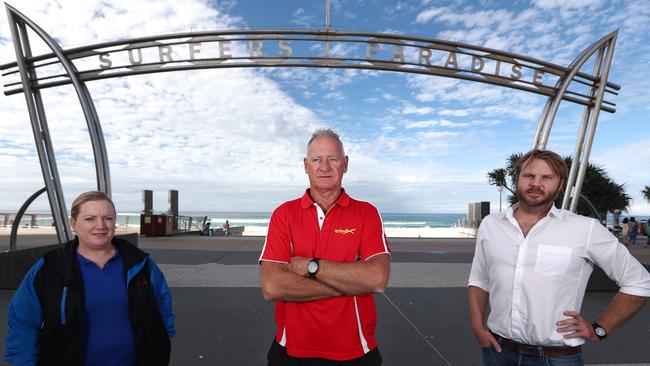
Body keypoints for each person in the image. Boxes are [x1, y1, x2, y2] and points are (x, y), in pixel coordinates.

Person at [468, 150, 650, 366]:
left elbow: (639, 281)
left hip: (555, 358)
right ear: (516, 179)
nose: (536, 183)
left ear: (561, 183)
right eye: (529, 176)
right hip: (497, 352)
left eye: (546, 177)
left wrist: (600, 328)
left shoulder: (584, 229)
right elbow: (480, 280)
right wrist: (478, 327)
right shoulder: (491, 225)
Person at [259, 128, 390, 365]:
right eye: (316, 159)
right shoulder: (283, 214)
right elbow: (272, 286)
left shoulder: (367, 213)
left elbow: (377, 280)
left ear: (345, 164)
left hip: (357, 351)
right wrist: (350, 284)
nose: (324, 167)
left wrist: (312, 267)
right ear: (306, 165)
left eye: (332, 159)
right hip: (292, 351)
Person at [4, 191, 175, 365]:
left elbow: (162, 307)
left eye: (107, 218)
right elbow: (22, 321)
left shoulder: (141, 264)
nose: (100, 225)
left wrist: (159, 345)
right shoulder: (50, 267)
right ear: (73, 223)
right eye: (90, 218)